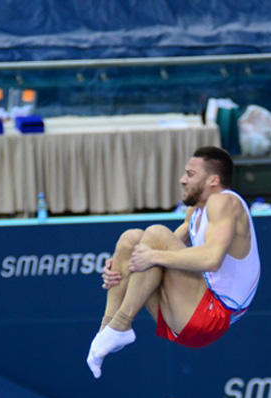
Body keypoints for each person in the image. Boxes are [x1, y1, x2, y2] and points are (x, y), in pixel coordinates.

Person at [85, 145, 260, 378]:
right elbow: (162, 245)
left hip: (216, 314)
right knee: (131, 240)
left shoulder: (225, 203)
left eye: (190, 174)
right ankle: (106, 329)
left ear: (213, 180)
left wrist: (151, 256)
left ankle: (122, 323)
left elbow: (212, 259)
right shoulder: (197, 210)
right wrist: (124, 263)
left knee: (155, 236)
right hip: (190, 314)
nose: (182, 180)